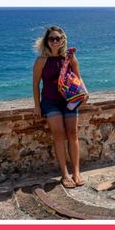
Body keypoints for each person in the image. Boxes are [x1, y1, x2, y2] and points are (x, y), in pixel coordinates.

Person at [33, 26, 89, 188]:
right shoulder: (41, 61)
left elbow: (78, 77)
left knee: (73, 134)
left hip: (70, 100)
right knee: (58, 135)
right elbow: (35, 84)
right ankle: (64, 174)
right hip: (50, 102)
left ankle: (76, 172)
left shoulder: (69, 57)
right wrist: (37, 105)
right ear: (46, 41)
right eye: (52, 39)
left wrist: (85, 92)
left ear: (63, 40)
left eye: (58, 38)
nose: (55, 41)